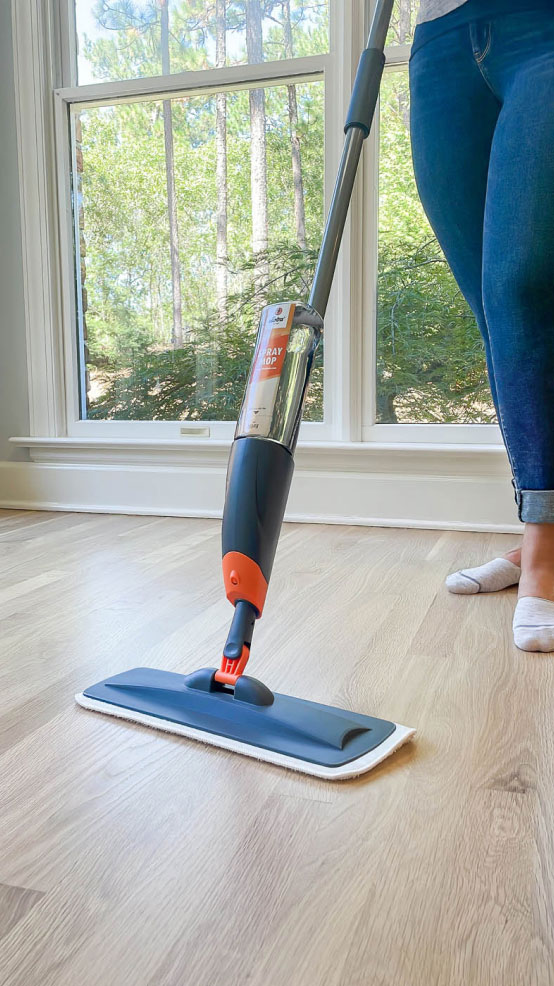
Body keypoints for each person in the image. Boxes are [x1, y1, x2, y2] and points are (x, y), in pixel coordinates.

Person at [409, 0, 554, 651]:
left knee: (521, 283)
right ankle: (539, 530)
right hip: (439, 39)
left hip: (541, 24)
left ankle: (544, 542)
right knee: (490, 305)